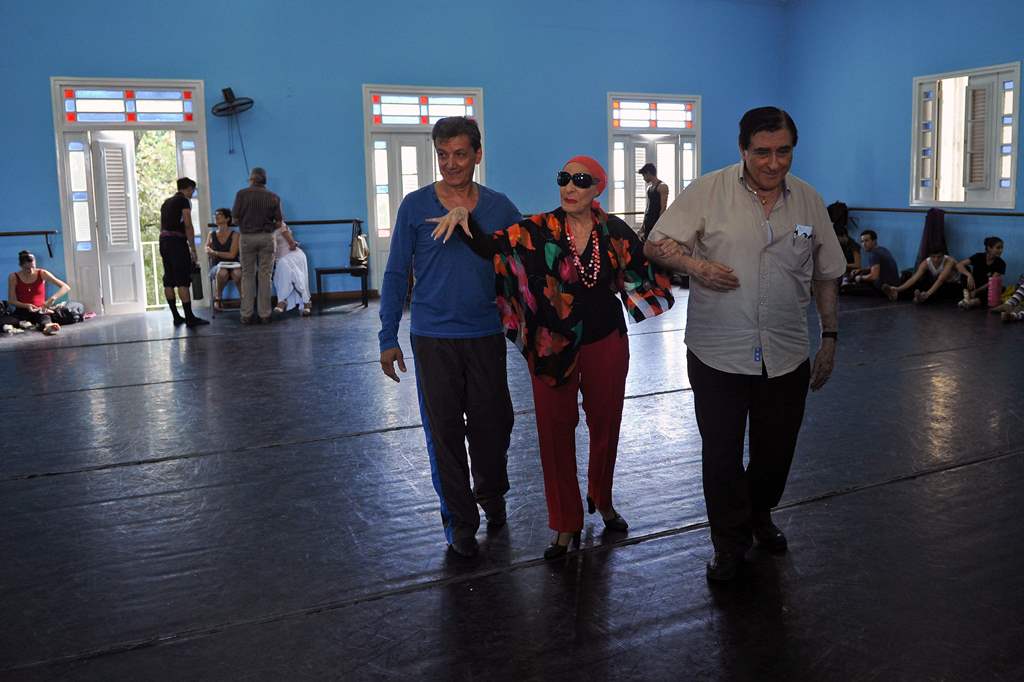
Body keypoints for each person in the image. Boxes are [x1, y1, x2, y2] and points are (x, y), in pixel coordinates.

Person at [431, 155, 674, 560]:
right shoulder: (538, 229)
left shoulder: (613, 230)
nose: (569, 187)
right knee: (554, 432)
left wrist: (681, 253)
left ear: (598, 188)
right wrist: (465, 217)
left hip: (606, 341)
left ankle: (603, 497)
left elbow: (642, 267)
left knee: (606, 424)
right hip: (551, 345)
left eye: (580, 180)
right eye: (563, 179)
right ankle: (565, 522)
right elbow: (490, 246)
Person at [644, 106, 846, 582]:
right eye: (762, 152)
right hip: (718, 352)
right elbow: (656, 243)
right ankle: (729, 544)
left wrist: (831, 336)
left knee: (776, 451)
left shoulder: (809, 202)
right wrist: (698, 267)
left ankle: (759, 514)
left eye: (783, 152)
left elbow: (827, 274)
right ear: (743, 150)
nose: (773, 163)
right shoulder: (708, 191)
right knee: (722, 453)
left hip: (786, 352)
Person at [377, 117, 522, 559]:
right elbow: (397, 272)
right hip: (432, 336)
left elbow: (526, 258)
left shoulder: (499, 208)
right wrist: (388, 335)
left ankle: (492, 491)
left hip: (484, 334)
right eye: (443, 155)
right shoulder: (414, 205)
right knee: (443, 432)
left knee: (492, 425)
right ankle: (459, 519)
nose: (451, 164)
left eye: (460, 154)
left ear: (478, 154)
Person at [232, 167, 283, 324]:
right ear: (264, 180)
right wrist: (268, 230)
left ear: (252, 179)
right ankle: (265, 314)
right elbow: (279, 222)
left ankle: (246, 314)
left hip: (247, 237)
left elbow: (234, 219)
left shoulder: (241, 194)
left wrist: (245, 224)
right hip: (267, 238)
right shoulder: (274, 197)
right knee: (265, 276)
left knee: (247, 275)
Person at [159, 178, 208, 326]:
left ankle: (176, 316)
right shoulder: (184, 201)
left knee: (169, 279)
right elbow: (187, 224)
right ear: (187, 188)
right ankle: (189, 318)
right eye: (192, 190)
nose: (193, 193)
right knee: (182, 280)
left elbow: (162, 226)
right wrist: (192, 248)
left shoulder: (166, 202)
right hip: (176, 243)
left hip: (164, 241)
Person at [7, 251, 71, 335]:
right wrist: (27, 305)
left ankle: (48, 326)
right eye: (27, 268)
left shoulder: (42, 273)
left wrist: (52, 299)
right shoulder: (13, 277)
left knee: (44, 317)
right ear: (21, 266)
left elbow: (65, 287)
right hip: (22, 311)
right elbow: (11, 301)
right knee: (7, 321)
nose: (31, 270)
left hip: (40, 310)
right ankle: (24, 324)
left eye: (33, 267)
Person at [882, 249, 961, 303]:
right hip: (939, 282)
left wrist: (927, 294)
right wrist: (898, 289)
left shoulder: (949, 261)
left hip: (954, 285)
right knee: (919, 284)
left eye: (939, 257)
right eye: (933, 257)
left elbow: (941, 280)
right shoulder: (926, 263)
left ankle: (922, 298)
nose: (936, 259)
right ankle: (896, 294)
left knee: (938, 291)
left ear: (943, 256)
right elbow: (913, 279)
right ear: (930, 256)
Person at [272, 221, 312, 316]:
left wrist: (294, 243)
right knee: (281, 271)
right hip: (280, 259)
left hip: (292, 255)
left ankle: (282, 301)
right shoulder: (263, 227)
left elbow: (292, 245)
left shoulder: (281, 225)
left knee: (289, 270)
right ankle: (305, 302)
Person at [842, 230, 899, 295]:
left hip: (883, 286)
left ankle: (890, 292)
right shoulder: (883, 249)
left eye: (866, 241)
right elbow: (877, 267)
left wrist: (860, 278)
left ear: (874, 241)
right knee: (860, 274)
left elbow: (874, 276)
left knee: (845, 289)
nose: (864, 244)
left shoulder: (874, 254)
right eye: (862, 241)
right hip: (895, 283)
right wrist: (861, 270)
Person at [206, 207, 241, 311]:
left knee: (238, 274)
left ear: (227, 219)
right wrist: (209, 251)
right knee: (222, 273)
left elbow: (232, 255)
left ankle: (244, 299)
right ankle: (218, 298)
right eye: (215, 214)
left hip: (234, 264)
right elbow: (207, 249)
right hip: (218, 265)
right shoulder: (211, 234)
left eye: (219, 214)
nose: (216, 216)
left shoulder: (235, 235)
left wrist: (215, 252)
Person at [956, 236, 1006, 309]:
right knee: (965, 269)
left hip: (984, 289)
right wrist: (969, 275)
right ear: (989, 248)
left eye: (1002, 248)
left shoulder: (1001, 263)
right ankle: (966, 297)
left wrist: (976, 291)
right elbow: (959, 265)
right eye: (998, 248)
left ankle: (972, 302)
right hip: (972, 285)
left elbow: (992, 282)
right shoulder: (978, 256)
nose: (1001, 250)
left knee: (999, 288)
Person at [638, 162, 669, 240]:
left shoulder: (662, 187)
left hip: (656, 223)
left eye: (643, 175)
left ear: (648, 173)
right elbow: (647, 208)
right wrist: (642, 226)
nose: (643, 178)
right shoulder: (649, 188)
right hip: (648, 222)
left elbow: (663, 208)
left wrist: (659, 227)